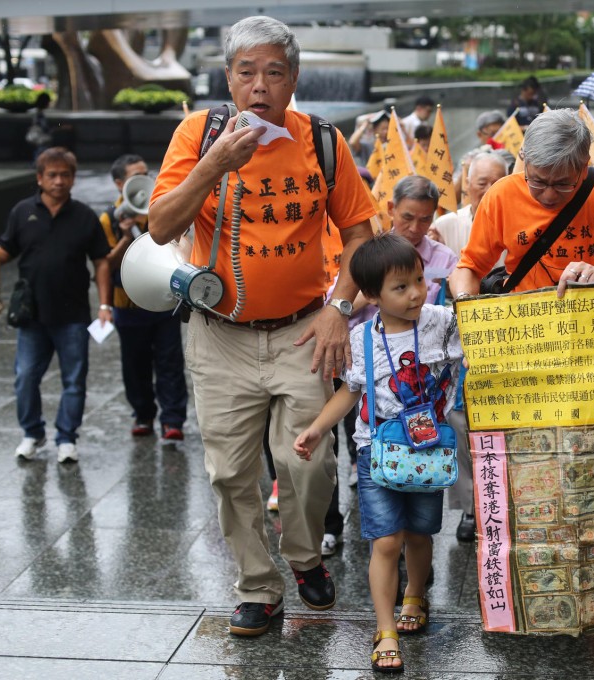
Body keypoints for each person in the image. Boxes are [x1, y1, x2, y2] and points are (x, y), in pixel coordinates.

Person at [148, 16, 376, 637]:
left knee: (306, 462)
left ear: (293, 80)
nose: (259, 86)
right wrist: (212, 166)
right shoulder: (199, 135)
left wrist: (339, 306)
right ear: (228, 79)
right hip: (219, 334)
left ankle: (304, 557)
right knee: (229, 473)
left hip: (306, 332)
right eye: (246, 72)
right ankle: (258, 586)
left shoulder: (323, 141)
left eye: (274, 73)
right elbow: (161, 226)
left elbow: (359, 232)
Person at [294, 233, 464, 673]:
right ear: (372, 296)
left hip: (428, 450)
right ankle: (385, 630)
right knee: (386, 540)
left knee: (420, 535)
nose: (415, 294)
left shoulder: (443, 322)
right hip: (377, 452)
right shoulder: (361, 339)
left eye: (419, 281)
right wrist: (317, 429)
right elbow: (349, 393)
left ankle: (415, 596)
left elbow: (485, 337)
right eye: (400, 287)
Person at [449, 108, 594, 299]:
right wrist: (464, 300)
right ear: (525, 162)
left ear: (584, 167)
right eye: (537, 181)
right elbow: (469, 268)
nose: (548, 195)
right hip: (527, 324)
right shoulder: (501, 195)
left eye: (562, 184)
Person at [0, 147, 112, 463]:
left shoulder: (85, 216)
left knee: (74, 379)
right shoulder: (22, 211)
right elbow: (5, 250)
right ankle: (32, 433)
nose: (59, 181)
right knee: (25, 377)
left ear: (73, 179)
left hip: (73, 314)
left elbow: (101, 262)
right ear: (39, 178)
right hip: (31, 314)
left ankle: (66, 438)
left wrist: (104, 305)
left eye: (65, 175)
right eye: (52, 175)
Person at [99, 154, 188, 440]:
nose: (145, 179)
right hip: (127, 304)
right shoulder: (107, 219)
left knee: (170, 361)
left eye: (145, 173)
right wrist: (125, 237)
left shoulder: (159, 210)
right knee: (134, 365)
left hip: (162, 300)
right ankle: (143, 414)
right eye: (135, 176)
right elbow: (105, 264)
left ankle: (173, 419)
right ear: (119, 184)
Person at [354, 176, 457, 323]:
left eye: (425, 219)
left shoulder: (445, 259)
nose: (415, 228)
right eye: (407, 217)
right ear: (391, 209)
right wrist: (375, 289)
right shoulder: (367, 255)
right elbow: (335, 308)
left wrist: (449, 288)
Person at [430, 152, 508, 256]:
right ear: (467, 184)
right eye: (482, 184)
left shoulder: (520, 223)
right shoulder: (444, 227)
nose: (489, 190)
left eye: (497, 184)